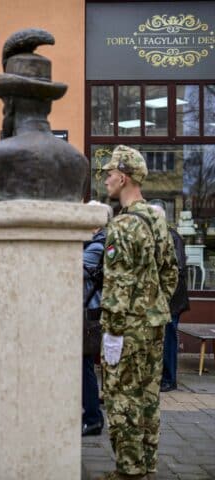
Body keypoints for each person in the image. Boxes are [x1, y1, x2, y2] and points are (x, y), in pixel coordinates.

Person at [99, 145, 178, 480]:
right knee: (147, 397)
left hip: (127, 329)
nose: (105, 179)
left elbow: (117, 285)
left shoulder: (122, 224)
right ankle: (147, 466)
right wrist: (154, 305)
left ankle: (128, 472)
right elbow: (170, 272)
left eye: (109, 173)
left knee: (121, 399)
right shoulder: (156, 218)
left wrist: (113, 331)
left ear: (124, 177)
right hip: (154, 323)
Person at [149, 201, 190, 393]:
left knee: (169, 339)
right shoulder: (158, 236)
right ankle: (161, 376)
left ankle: (169, 379)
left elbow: (177, 268)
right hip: (163, 298)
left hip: (172, 299)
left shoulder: (172, 236)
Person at [81, 201, 112, 437]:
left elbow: (72, 268)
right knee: (82, 366)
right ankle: (88, 414)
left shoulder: (97, 246)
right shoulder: (91, 242)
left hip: (88, 313)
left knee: (85, 366)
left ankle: (93, 418)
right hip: (84, 311)